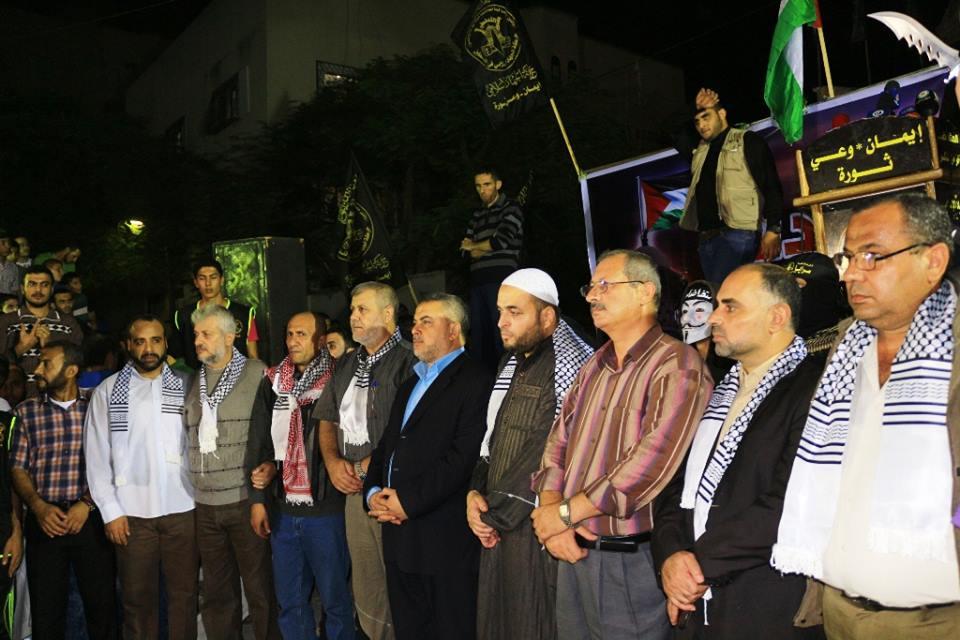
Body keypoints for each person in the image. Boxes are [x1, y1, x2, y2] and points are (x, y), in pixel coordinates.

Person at [773, 193, 960, 638]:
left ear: (933, 260)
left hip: (937, 620)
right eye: (849, 258)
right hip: (840, 612)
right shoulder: (844, 348)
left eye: (872, 256)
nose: (852, 274)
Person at [530, 249, 711, 640]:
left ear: (645, 292)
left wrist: (563, 514)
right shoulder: (593, 366)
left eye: (605, 285)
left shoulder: (676, 364)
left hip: (627, 563)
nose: (593, 296)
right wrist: (552, 514)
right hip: (573, 549)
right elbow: (557, 443)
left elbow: (650, 464)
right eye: (591, 288)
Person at [652, 264, 825, 638]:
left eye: (730, 307)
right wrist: (670, 557)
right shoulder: (723, 390)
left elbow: (789, 503)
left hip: (765, 606)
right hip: (699, 601)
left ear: (777, 317)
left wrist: (696, 563)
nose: (714, 318)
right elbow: (676, 485)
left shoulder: (816, 391)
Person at [466, 268, 593, 640]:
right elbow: (491, 439)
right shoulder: (511, 363)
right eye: (500, 312)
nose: (501, 322)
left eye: (514, 312)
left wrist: (493, 513)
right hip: (498, 524)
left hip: (537, 528)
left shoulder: (568, 366)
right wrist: (474, 493)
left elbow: (548, 448)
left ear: (547, 316)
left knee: (532, 623)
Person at [364, 293, 491, 640]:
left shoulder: (477, 380)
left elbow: (463, 459)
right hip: (398, 537)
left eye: (426, 322)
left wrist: (407, 501)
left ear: (453, 330)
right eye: (415, 322)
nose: (414, 330)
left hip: (444, 541)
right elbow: (386, 446)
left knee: (451, 629)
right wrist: (372, 492)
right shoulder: (410, 384)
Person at [84, 315, 197, 639]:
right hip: (130, 515)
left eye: (156, 340)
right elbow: (96, 456)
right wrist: (110, 512)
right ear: (128, 346)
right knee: (137, 603)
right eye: (140, 341)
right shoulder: (108, 391)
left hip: (183, 508)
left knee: (184, 598)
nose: (149, 348)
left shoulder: (187, 385)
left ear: (166, 344)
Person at [314, 282, 417, 640]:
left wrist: (363, 468)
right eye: (352, 310)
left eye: (363, 309)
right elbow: (326, 418)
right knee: (367, 585)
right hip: (353, 494)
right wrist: (332, 463)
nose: (353, 317)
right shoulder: (346, 363)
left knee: (402, 586)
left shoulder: (410, 361)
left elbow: (410, 430)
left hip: (394, 493)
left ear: (388, 314)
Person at [247, 312, 355, 640]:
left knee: (336, 601)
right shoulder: (273, 381)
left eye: (301, 335)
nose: (293, 341)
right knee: (291, 602)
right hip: (283, 511)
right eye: (289, 334)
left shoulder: (341, 379)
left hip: (328, 510)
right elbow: (259, 440)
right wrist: (259, 494)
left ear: (320, 341)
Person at [183, 304, 280, 640]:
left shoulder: (257, 373)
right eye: (196, 334)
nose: (198, 340)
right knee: (217, 594)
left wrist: (269, 475)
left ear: (229, 337)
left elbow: (276, 431)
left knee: (260, 589)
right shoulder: (192, 381)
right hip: (205, 505)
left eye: (206, 334)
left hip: (244, 500)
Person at [10, 340, 117, 639]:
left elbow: (115, 461)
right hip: (44, 521)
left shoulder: (97, 407)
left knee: (102, 608)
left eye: (46, 363)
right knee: (46, 612)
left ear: (71, 370)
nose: (37, 370)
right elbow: (18, 468)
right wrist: (38, 506)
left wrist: (86, 504)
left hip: (91, 519)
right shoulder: (26, 412)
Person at [679, 88, 784, 284]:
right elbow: (669, 128)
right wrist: (695, 105)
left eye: (706, 117)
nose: (701, 125)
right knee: (722, 293)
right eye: (697, 121)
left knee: (721, 291)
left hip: (738, 233)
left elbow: (771, 185)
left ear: (722, 114)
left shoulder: (748, 140)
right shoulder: (699, 150)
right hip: (706, 238)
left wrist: (773, 228)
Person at [460, 169, 524, 371]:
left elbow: (501, 241)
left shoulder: (511, 208)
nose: (482, 190)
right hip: (478, 281)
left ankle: (508, 375)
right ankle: (483, 380)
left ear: (498, 184)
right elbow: (464, 251)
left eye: (487, 184)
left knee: (501, 331)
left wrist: (475, 246)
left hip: (501, 279)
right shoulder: (476, 214)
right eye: (478, 186)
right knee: (480, 335)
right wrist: (480, 247)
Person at [0, 266, 83, 398]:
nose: (38, 290)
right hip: (13, 402)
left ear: (52, 289)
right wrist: (20, 348)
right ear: (22, 288)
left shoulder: (69, 323)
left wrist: (49, 347)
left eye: (44, 285)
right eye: (32, 284)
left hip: (54, 401)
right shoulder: (6, 321)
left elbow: (77, 365)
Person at [172, 258, 260, 368]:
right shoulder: (183, 315)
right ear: (196, 282)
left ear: (221, 280)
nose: (208, 283)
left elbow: (253, 356)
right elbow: (175, 357)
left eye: (213, 277)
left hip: (236, 376)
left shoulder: (244, 314)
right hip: (198, 376)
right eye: (202, 278)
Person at [777, 252, 850, 356]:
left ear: (824, 292)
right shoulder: (775, 341)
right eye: (784, 286)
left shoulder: (845, 347)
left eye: (798, 285)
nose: (787, 294)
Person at [680, 279, 734, 382]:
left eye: (699, 310)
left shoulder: (730, 362)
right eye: (685, 311)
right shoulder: (675, 355)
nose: (686, 318)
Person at [0, 232, 17, 296]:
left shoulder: (13, 267)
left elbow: (15, 291)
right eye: (3, 243)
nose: (8, 246)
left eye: (9, 243)